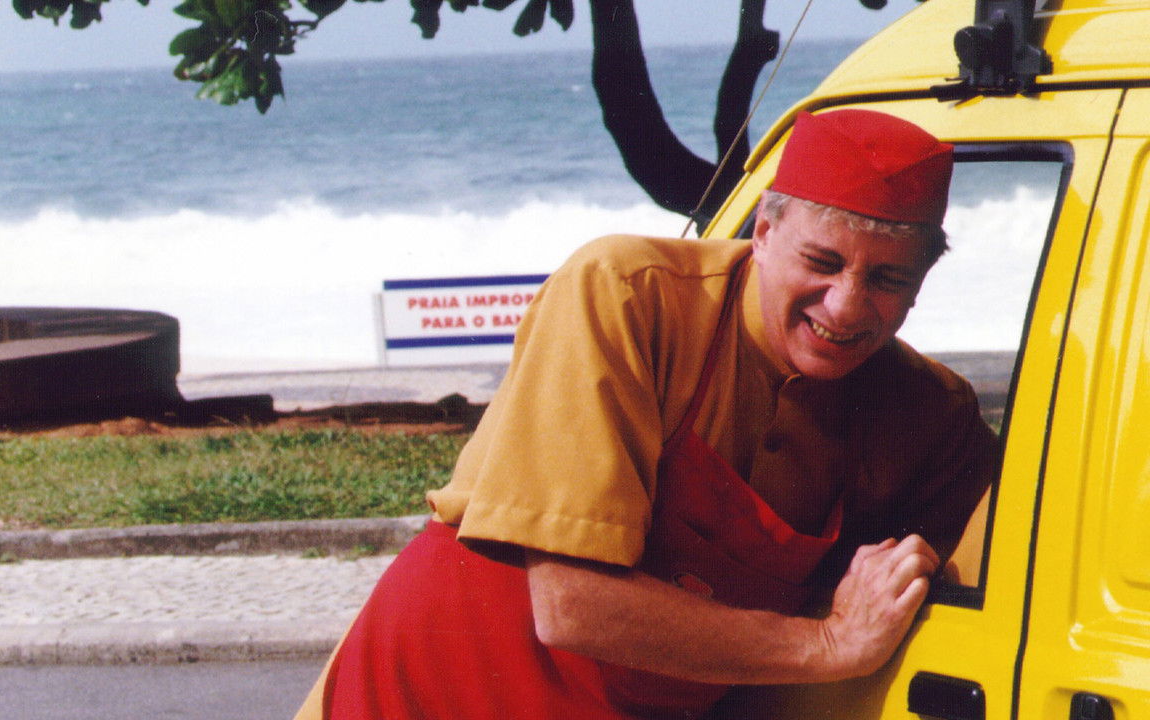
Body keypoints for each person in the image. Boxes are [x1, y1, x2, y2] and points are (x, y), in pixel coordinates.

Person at [297, 109, 998, 720]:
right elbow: (571, 603)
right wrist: (827, 644)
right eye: (822, 261)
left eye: (887, 278)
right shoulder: (627, 293)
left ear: (922, 282)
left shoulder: (931, 412)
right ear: (762, 232)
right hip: (439, 686)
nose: (844, 307)